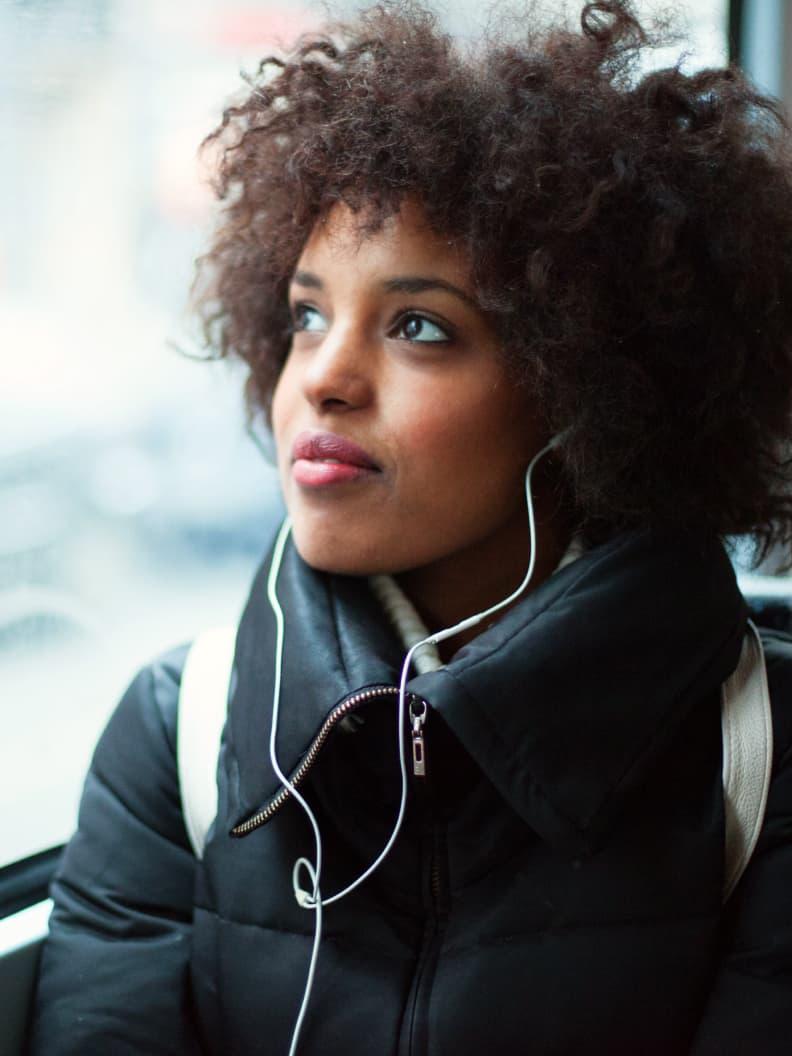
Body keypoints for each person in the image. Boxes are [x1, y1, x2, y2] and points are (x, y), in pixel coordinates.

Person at [28, 1, 792, 1053]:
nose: (323, 379)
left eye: (418, 326)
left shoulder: (761, 753)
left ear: (591, 392)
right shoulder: (178, 731)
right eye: (305, 315)